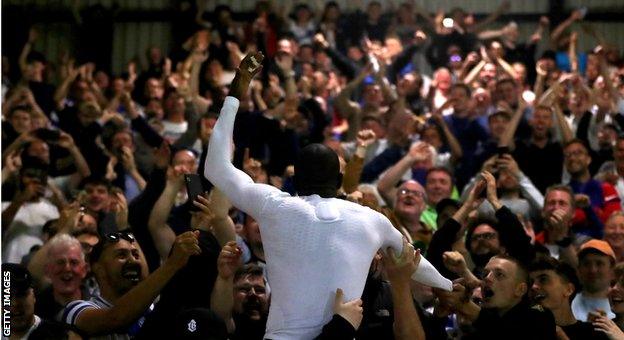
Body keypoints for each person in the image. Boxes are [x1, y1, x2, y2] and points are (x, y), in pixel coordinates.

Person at [204, 52, 451, 339]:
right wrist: (448, 284)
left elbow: (216, 167)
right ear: (339, 180)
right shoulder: (371, 219)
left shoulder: (274, 205)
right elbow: (416, 262)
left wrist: (237, 89)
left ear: (294, 180)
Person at [62, 230, 200, 338]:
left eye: (135, 255)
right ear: (99, 269)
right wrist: (171, 264)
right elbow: (115, 318)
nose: (133, 261)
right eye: (121, 255)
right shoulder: (77, 310)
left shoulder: (155, 307)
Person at [529, 256, 609, 340]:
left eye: (543, 280)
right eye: (530, 282)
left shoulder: (595, 334)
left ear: (569, 290)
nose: (533, 287)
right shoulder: (522, 331)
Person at [2, 263, 72, 339]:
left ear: (33, 295)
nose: (15, 303)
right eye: (6, 297)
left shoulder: (59, 335)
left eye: (21, 294)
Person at [572, 239, 617, 321]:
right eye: (586, 264)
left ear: (612, 270)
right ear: (578, 270)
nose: (593, 270)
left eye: (599, 263)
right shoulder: (567, 304)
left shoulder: (620, 307)